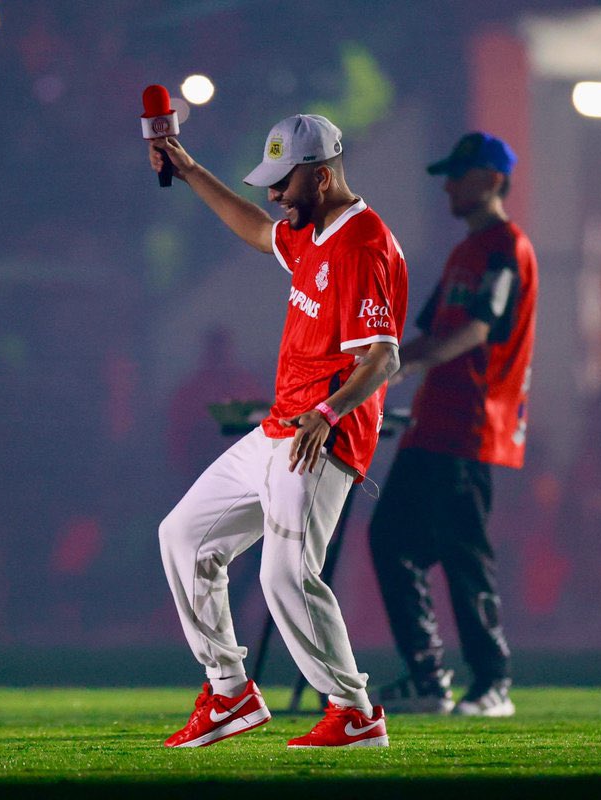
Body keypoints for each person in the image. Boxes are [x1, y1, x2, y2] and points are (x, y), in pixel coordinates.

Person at [149, 114, 408, 748]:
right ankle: (231, 694)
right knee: (183, 536)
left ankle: (354, 712)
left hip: (321, 439)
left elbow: (384, 358)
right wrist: (188, 170)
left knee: (284, 575)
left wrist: (329, 412)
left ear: (320, 177)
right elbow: (261, 233)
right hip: (277, 430)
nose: (272, 195)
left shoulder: (363, 243)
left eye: (282, 183)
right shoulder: (310, 228)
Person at [368, 132, 537, 717]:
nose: (447, 186)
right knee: (391, 540)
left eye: (459, 175)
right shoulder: (466, 251)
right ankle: (426, 678)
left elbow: (476, 330)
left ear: (491, 179)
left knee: (465, 555)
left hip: (471, 426)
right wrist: (378, 364)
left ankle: (493, 683)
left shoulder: (505, 247)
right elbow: (430, 333)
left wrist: (396, 366)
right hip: (435, 425)